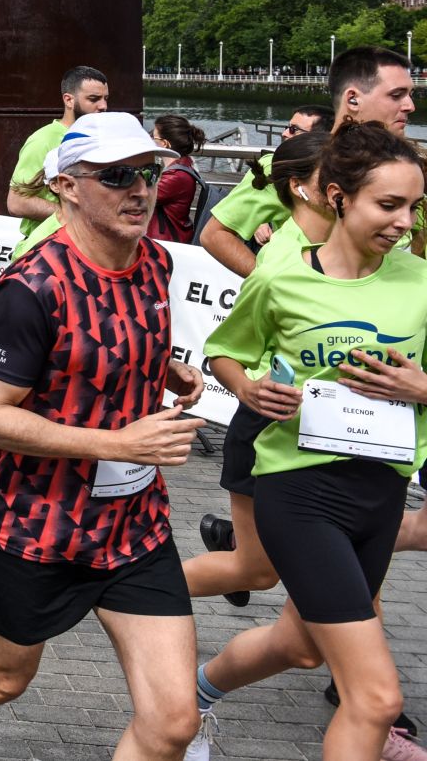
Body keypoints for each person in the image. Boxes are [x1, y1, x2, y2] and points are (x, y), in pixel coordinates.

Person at [0, 111, 207, 761]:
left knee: (174, 722)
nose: (140, 190)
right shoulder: (31, 288)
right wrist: (120, 445)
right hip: (35, 529)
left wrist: (163, 369)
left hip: (134, 527)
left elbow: (104, 346)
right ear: (66, 186)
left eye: (149, 174)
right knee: (1, 680)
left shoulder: (155, 262)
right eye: (117, 176)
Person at [186, 122, 427, 761]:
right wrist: (249, 389)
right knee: (374, 698)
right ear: (339, 197)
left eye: (414, 206)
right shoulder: (281, 277)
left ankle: (194, 695)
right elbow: (225, 351)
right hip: (300, 492)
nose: (404, 222)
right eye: (389, 204)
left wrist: (423, 388)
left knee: (300, 647)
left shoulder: (421, 281)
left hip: (382, 493)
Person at [182, 132, 327, 612]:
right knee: (258, 571)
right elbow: (222, 350)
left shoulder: (373, 258)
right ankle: (126, 592)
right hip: (273, 423)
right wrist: (247, 388)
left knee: (308, 576)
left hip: (341, 440)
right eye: (338, 178)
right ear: (302, 188)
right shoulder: (280, 265)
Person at [200, 47, 416, 278]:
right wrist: (274, 284)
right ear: (352, 99)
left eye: (410, 94)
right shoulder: (291, 163)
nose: (410, 105)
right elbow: (215, 235)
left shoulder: (409, 169)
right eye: (396, 95)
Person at [4, 65, 110, 255]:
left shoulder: (103, 138)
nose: (103, 106)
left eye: (105, 98)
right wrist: (76, 216)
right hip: (46, 251)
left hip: (89, 250)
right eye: (94, 99)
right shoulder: (43, 140)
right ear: (69, 100)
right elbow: (17, 202)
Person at [147, 115, 208, 244]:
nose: (150, 138)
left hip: (168, 242)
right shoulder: (181, 167)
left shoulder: (176, 176)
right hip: (170, 238)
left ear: (164, 143)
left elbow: (141, 196)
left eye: (153, 136)